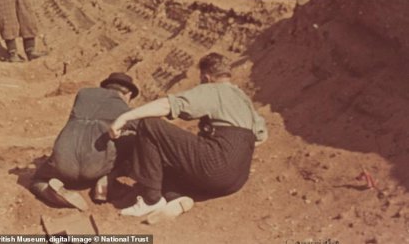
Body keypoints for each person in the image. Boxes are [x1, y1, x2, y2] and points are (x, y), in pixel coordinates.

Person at [109, 52, 268, 222]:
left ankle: (151, 200)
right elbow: (261, 136)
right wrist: (232, 151)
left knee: (149, 125)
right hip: (236, 180)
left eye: (201, 79)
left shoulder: (212, 89)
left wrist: (124, 118)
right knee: (169, 160)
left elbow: (167, 105)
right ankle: (174, 197)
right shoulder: (242, 97)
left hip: (216, 168)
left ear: (206, 77)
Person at [29, 72, 140, 210]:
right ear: (128, 94)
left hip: (62, 163)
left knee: (36, 180)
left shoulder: (83, 94)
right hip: (95, 169)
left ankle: (50, 191)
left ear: (105, 87)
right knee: (133, 141)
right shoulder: (125, 109)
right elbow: (146, 129)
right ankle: (106, 179)